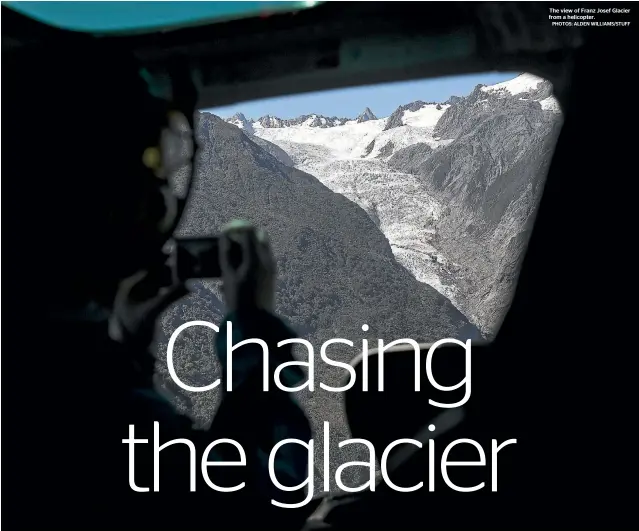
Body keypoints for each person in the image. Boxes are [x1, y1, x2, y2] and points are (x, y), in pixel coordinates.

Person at [4, 38, 314, 529]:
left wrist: (125, 346)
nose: (163, 203)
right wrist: (254, 331)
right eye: (153, 172)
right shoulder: (95, 414)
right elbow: (266, 499)